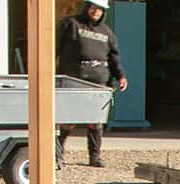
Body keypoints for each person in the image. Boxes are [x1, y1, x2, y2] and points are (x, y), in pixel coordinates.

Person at [55, 0, 128, 168]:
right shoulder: (71, 24)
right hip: (73, 80)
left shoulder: (107, 32)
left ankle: (94, 157)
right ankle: (56, 153)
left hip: (99, 82)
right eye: (93, 7)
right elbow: (54, 48)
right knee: (67, 119)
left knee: (96, 121)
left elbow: (114, 57)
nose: (96, 11)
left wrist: (121, 76)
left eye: (100, 9)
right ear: (87, 7)